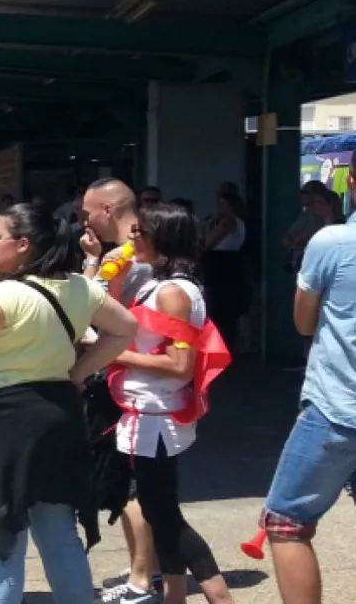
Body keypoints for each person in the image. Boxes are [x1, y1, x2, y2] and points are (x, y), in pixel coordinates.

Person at [0, 202, 138, 604]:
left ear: (22, 245)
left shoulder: (7, 296)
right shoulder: (79, 286)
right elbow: (125, 329)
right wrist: (77, 373)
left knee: (1, 538)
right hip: (58, 416)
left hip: (2, 424)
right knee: (58, 532)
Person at [103, 203, 237, 604]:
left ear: (163, 237)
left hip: (157, 416)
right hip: (146, 412)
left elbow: (180, 365)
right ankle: (174, 595)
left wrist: (114, 355)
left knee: (164, 516)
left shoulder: (175, 292)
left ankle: (220, 596)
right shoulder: (158, 285)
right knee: (159, 511)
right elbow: (122, 326)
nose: (132, 237)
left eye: (141, 231)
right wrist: (114, 283)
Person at [259, 188, 356, 603]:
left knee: (287, 521)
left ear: (351, 181)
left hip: (338, 406)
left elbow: (303, 321)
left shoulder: (332, 242)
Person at [80, 178, 163, 598]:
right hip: (144, 384)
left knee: (131, 482)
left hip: (124, 382)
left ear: (108, 210)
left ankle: (140, 579)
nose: (84, 218)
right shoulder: (150, 247)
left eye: (89, 210)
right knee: (148, 479)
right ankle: (157, 569)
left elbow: (89, 310)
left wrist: (92, 265)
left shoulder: (127, 259)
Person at [202, 190, 249, 352]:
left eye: (222, 204)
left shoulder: (228, 221)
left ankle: (222, 342)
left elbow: (209, 242)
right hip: (231, 261)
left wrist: (209, 226)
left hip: (221, 261)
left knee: (219, 303)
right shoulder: (240, 222)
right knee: (228, 304)